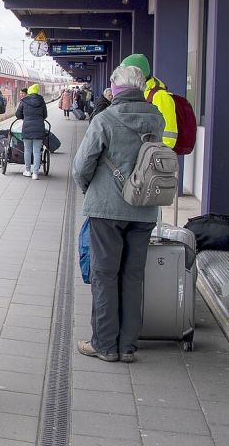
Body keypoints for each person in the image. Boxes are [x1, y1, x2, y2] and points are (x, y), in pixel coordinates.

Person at [72, 65, 164, 363]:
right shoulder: (156, 118)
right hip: (145, 208)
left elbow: (81, 166)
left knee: (104, 274)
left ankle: (105, 344)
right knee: (132, 276)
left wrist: (91, 191)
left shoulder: (105, 118)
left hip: (107, 210)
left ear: (115, 86)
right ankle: (127, 346)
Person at [120, 54, 178, 148]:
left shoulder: (160, 96)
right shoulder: (138, 92)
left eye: (125, 73)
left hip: (152, 156)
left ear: (136, 73)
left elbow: (169, 133)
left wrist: (160, 155)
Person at [15, 83, 47, 180]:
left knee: (27, 150)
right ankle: (35, 174)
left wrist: (26, 117)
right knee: (37, 151)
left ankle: (28, 171)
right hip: (39, 128)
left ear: (29, 92)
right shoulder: (42, 101)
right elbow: (45, 115)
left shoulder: (24, 101)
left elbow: (18, 115)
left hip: (27, 128)